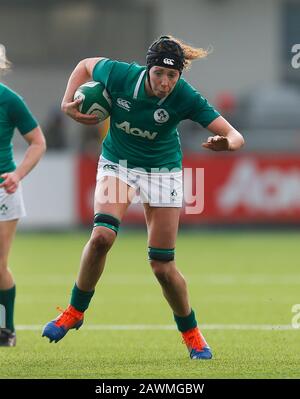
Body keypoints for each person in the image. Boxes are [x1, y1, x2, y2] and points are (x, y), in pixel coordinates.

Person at [42, 35, 244, 359]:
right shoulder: (121, 75)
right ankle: (74, 312)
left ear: (179, 76)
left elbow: (236, 135)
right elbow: (84, 66)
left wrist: (227, 144)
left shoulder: (185, 97)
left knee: (162, 266)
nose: (164, 82)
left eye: (172, 76)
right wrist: (68, 102)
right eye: (158, 74)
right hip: (118, 164)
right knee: (101, 238)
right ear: (147, 69)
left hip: (163, 171)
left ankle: (192, 334)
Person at [0, 44, 46, 346]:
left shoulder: (10, 100)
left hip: (2, 191)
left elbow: (38, 141)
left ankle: (6, 330)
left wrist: (17, 174)